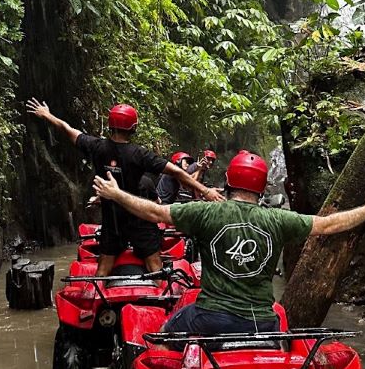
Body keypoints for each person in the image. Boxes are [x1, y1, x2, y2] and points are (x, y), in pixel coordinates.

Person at [93, 149, 365, 334]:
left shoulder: (206, 213)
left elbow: (155, 211)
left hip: (210, 317)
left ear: (228, 180)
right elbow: (328, 224)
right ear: (262, 187)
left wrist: (117, 194)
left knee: (159, 340)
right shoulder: (278, 219)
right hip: (262, 321)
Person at [26, 99, 221, 278]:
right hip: (139, 217)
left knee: (102, 269)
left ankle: (96, 302)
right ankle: (165, 302)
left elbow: (68, 129)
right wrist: (205, 191)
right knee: (155, 266)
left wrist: (47, 115)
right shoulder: (140, 154)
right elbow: (178, 173)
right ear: (133, 128)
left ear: (111, 125)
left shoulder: (96, 147)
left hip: (112, 220)